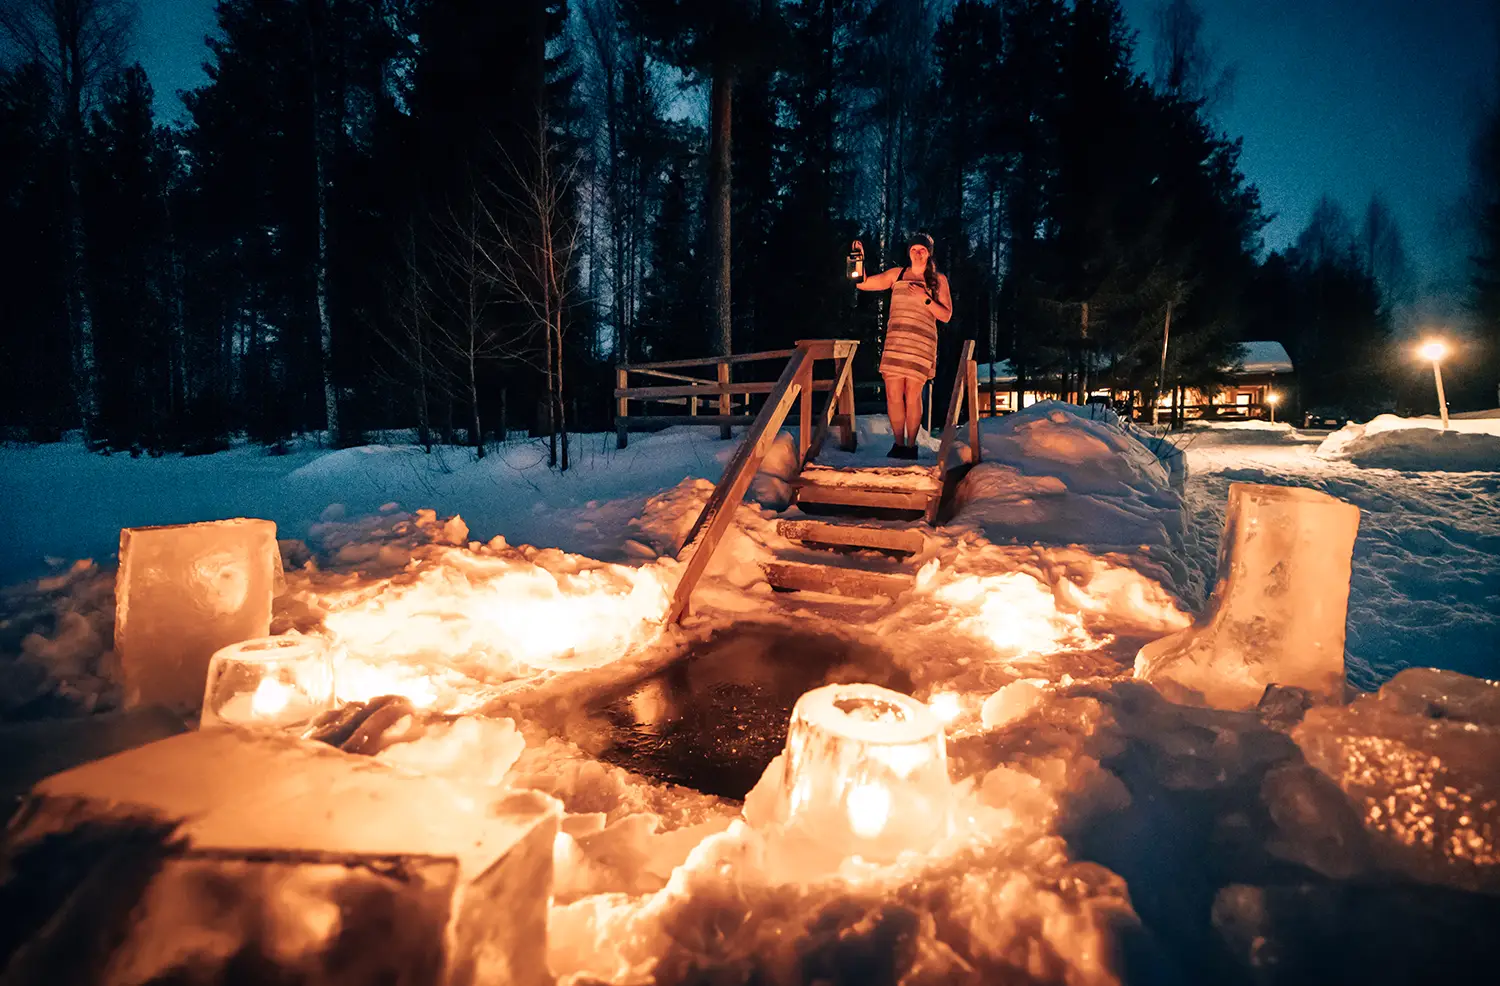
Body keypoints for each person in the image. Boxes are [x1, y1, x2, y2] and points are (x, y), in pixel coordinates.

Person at [853, 233, 953, 459]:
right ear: (909, 252)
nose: (918, 253)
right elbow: (863, 283)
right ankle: (898, 444)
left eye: (922, 250)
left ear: (929, 253)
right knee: (893, 394)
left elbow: (946, 315)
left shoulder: (937, 280)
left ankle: (911, 445)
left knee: (913, 395)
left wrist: (924, 298)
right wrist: (858, 260)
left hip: (920, 344)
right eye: (914, 249)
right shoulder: (896, 275)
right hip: (896, 342)